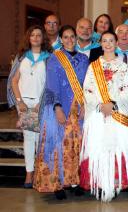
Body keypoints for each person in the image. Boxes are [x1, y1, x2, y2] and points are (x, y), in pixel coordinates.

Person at [33, 25, 89, 200]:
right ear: (61, 39)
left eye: (72, 36)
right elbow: (51, 85)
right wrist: (57, 107)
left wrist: (85, 105)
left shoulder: (83, 59)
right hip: (60, 106)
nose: (70, 40)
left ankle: (74, 181)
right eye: (66, 37)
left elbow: (87, 85)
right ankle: (57, 184)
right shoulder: (54, 58)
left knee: (76, 145)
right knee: (59, 145)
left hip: (79, 107)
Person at [80, 32, 128, 202]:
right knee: (99, 148)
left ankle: (115, 184)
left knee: (115, 148)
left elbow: (127, 89)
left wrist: (113, 104)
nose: (108, 44)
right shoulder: (93, 66)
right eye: (105, 41)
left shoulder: (123, 66)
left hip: (117, 113)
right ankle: (100, 184)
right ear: (100, 44)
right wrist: (100, 106)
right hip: (97, 114)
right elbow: (87, 89)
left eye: (111, 40)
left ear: (117, 43)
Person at [7, 25, 52, 188]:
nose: (35, 38)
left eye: (39, 35)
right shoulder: (22, 57)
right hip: (24, 103)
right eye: (32, 35)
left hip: (41, 102)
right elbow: (13, 80)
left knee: (40, 138)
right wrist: (19, 101)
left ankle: (40, 172)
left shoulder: (48, 57)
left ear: (43, 38)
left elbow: (50, 82)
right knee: (29, 138)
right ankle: (29, 173)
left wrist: (42, 102)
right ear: (29, 38)